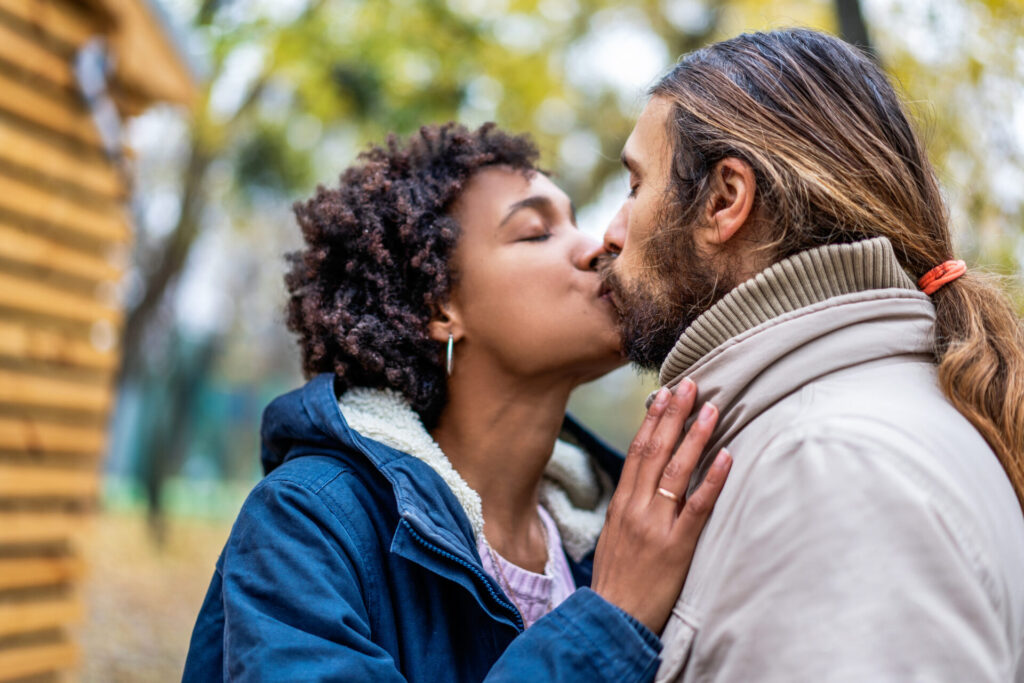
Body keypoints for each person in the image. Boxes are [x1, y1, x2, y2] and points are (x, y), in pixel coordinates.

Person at [183, 122, 733, 681]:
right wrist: (610, 622)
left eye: (574, 221)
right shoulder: (307, 523)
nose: (600, 246)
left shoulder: (622, 535)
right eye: (536, 232)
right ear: (441, 306)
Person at [598, 28, 1024, 681]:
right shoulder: (846, 434)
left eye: (634, 185)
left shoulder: (829, 468)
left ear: (724, 200)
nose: (610, 232)